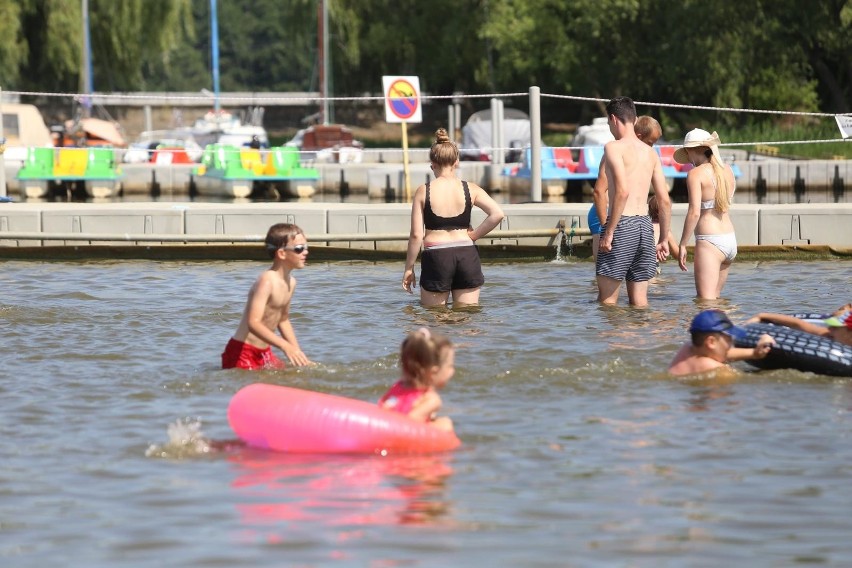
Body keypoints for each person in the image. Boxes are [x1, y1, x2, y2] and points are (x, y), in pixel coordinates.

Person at [402, 128, 505, 307]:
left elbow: (416, 236)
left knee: (435, 318)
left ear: (432, 163)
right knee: (467, 319)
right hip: (467, 254)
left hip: (437, 256)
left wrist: (409, 268)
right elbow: (497, 214)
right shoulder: (471, 189)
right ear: (456, 161)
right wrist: (473, 236)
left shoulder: (423, 191)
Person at [595, 98, 671, 306]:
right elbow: (664, 200)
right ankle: (641, 338)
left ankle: (617, 340)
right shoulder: (650, 152)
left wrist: (609, 231)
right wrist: (663, 238)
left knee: (607, 303)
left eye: (609, 123)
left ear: (613, 119)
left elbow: (621, 191)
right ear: (635, 119)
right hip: (645, 227)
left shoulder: (613, 148)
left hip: (622, 224)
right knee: (639, 303)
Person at [221, 223, 313, 370]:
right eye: (299, 249)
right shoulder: (267, 280)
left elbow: (283, 319)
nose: (305, 252)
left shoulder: (291, 282)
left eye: (306, 247)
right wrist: (284, 346)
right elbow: (254, 323)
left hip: (264, 351)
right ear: (282, 253)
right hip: (242, 352)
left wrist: (297, 351)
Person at [674, 128, 738, 299]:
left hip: (710, 241)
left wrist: (682, 244)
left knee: (705, 303)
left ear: (693, 150)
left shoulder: (695, 174)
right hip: (730, 240)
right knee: (715, 300)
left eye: (687, 153)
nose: (688, 159)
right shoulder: (728, 170)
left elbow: (694, 212)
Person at [591, 115, 664, 261]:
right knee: (604, 273)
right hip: (605, 214)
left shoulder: (644, 155)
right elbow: (599, 192)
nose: (652, 147)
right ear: (639, 136)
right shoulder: (616, 151)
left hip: (625, 221)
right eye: (650, 142)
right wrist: (607, 227)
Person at [378, 327, 455, 432]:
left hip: (385, 427)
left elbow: (382, 406)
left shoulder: (398, 386)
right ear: (434, 372)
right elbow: (410, 424)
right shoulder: (431, 399)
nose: (453, 371)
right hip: (400, 435)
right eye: (450, 366)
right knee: (446, 423)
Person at [668, 309, 775, 376]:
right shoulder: (720, 371)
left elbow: (720, 354)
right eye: (728, 339)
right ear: (711, 342)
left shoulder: (688, 348)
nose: (731, 343)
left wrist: (754, 353)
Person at [746, 307, 852, 346]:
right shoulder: (826, 334)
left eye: (835, 327)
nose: (829, 328)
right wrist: (761, 316)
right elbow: (798, 323)